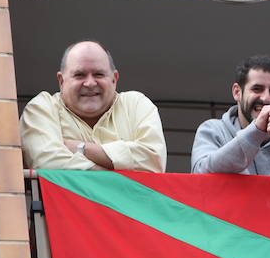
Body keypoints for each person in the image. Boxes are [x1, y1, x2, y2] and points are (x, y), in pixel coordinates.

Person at [20, 40, 167, 172]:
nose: (90, 83)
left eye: (98, 74)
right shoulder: (42, 108)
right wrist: (113, 174)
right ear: (61, 81)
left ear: (114, 79)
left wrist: (82, 149)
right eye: (79, 75)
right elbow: (46, 162)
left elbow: (153, 160)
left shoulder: (136, 104)